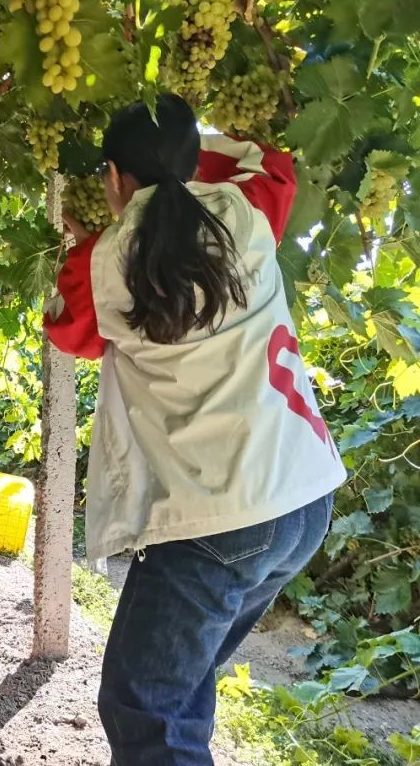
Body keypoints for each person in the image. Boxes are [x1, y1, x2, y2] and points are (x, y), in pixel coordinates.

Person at [44, 94, 345, 764]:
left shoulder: (102, 261)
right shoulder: (246, 210)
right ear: (191, 159)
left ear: (112, 176)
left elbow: (69, 334)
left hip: (220, 519)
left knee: (147, 708)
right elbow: (271, 162)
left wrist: (101, 228)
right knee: (177, 692)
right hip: (303, 499)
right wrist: (179, 157)